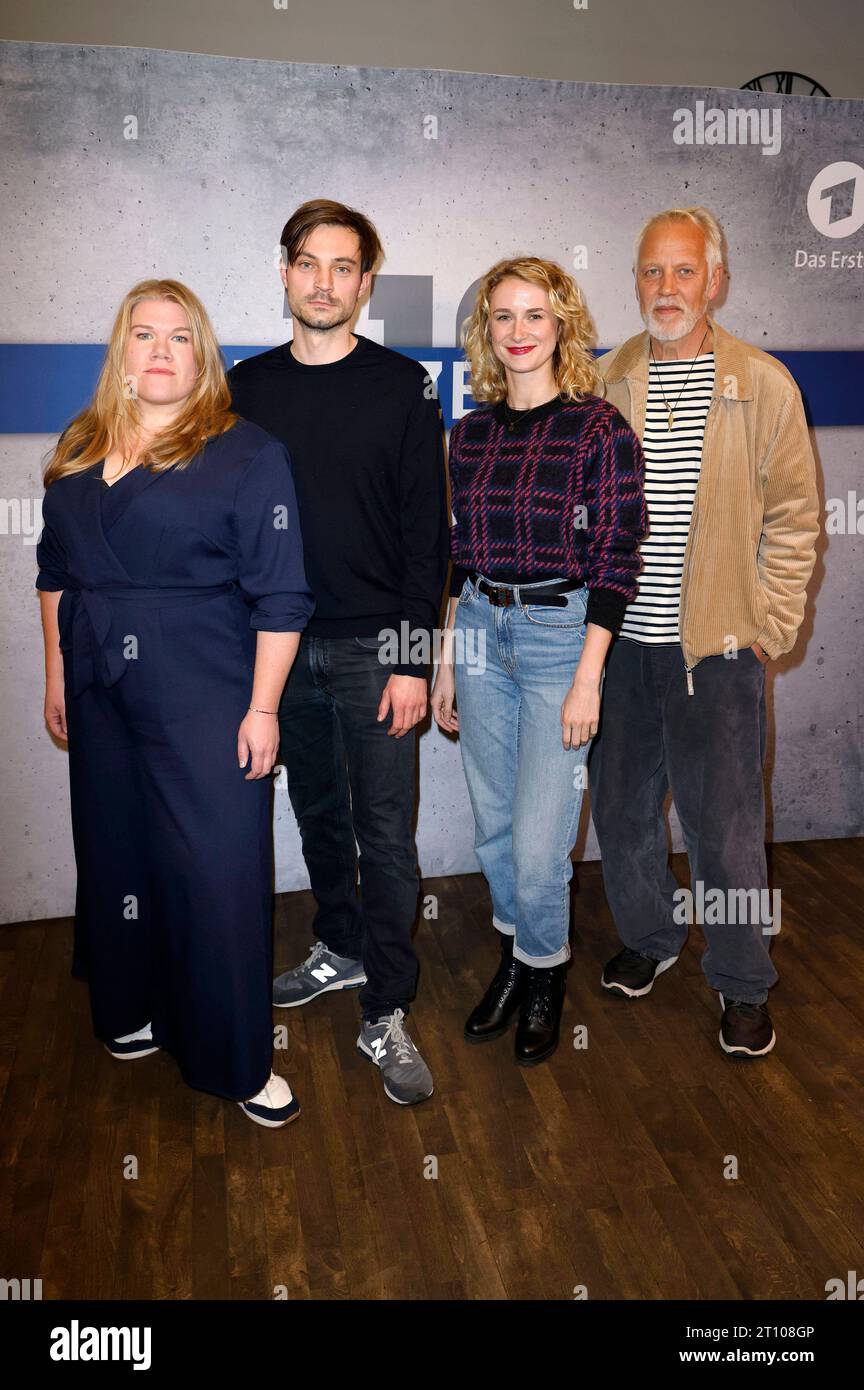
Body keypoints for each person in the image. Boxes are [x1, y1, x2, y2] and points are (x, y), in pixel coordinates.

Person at [36, 279, 314, 1127]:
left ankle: (235, 1059)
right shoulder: (80, 448)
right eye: (144, 334)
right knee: (116, 851)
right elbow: (53, 574)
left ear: (204, 356)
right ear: (121, 351)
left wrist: (263, 709)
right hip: (96, 682)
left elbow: (283, 597)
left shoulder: (246, 453)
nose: (160, 350)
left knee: (216, 869)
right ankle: (128, 1009)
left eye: (180, 336)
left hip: (204, 684)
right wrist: (55, 673)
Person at [227, 200, 448, 1106]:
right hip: (284, 651)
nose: (325, 282)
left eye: (343, 267)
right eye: (308, 264)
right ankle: (342, 948)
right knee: (318, 814)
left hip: (375, 650)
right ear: (284, 273)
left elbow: (426, 535)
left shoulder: (403, 386)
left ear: (365, 281)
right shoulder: (245, 387)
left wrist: (412, 659)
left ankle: (388, 1006)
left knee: (386, 835)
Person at [589, 206, 819, 1056]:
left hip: (719, 655)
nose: (667, 287)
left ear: (716, 280)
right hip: (619, 650)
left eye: (685, 271)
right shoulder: (606, 380)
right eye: (653, 271)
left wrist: (770, 626)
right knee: (622, 814)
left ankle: (743, 981)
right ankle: (650, 940)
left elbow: (796, 518)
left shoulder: (763, 383)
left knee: (724, 829)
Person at [431, 257, 647, 1065]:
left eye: (535, 315)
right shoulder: (470, 433)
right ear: (486, 330)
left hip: (562, 639)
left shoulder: (599, 428)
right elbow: (457, 552)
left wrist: (590, 674)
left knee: (537, 842)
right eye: (502, 317)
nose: (518, 332)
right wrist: (448, 656)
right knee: (494, 827)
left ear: (562, 326)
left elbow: (619, 557)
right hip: (482, 626)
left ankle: (546, 970)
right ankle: (515, 959)